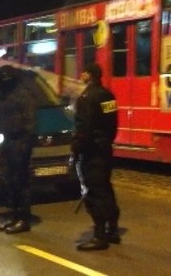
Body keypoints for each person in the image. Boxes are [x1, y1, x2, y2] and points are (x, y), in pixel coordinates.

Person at [72, 63, 120, 251]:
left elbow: (84, 127)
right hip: (105, 149)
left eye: (83, 72)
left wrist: (76, 148)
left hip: (91, 152)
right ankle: (113, 230)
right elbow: (112, 124)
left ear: (89, 75)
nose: (81, 75)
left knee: (94, 192)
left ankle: (100, 235)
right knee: (106, 189)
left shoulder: (86, 97)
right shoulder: (108, 95)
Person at [0, 66, 36, 234]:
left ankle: (23, 218)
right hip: (6, 142)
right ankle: (14, 214)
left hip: (19, 142)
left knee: (20, 182)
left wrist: (25, 145)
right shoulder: (2, 95)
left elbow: (30, 123)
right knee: (9, 182)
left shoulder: (23, 95)